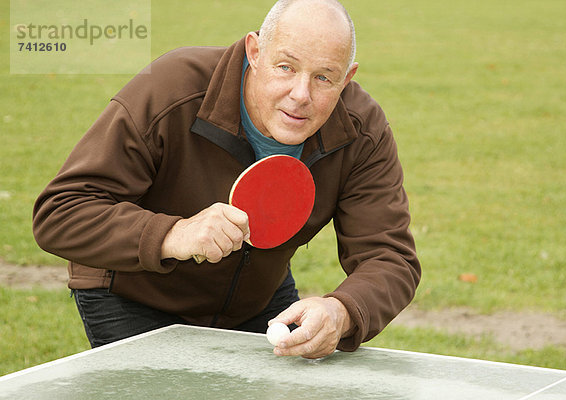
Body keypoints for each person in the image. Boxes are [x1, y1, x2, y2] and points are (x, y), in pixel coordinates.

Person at [32, 0, 421, 359]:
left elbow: (390, 257)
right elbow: (61, 212)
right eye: (285, 67)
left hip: (258, 299)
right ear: (255, 52)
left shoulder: (362, 129)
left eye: (324, 78)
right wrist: (174, 234)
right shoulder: (171, 88)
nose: (300, 94)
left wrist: (341, 311)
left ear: (347, 78)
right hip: (133, 294)